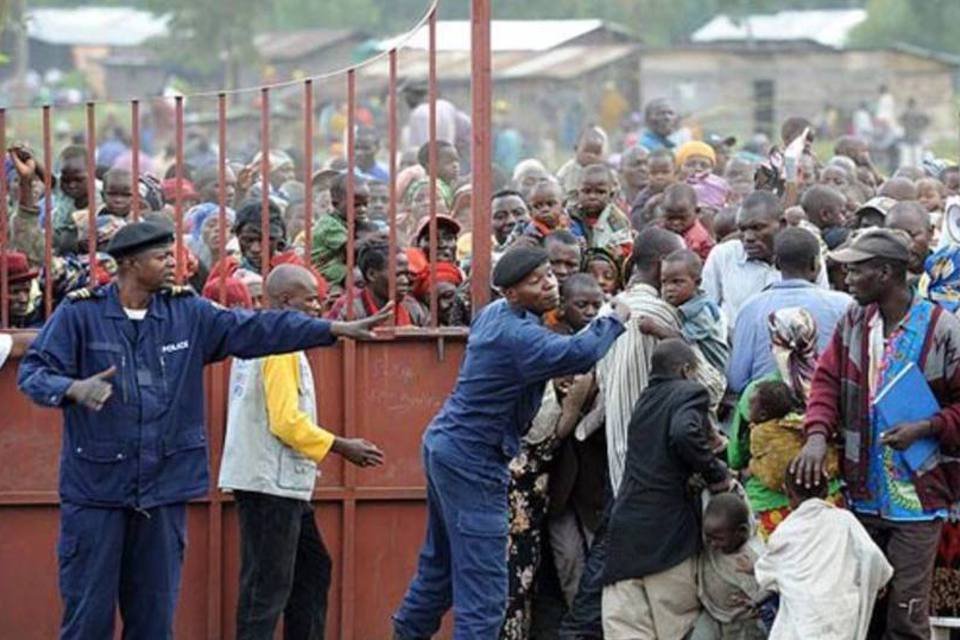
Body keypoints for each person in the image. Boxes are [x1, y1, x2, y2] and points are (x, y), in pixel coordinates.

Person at [16, 220, 392, 640]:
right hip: (96, 492)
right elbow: (34, 372)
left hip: (161, 492)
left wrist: (330, 330)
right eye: (161, 257)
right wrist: (72, 388)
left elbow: (256, 328)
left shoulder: (187, 313)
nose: (174, 264)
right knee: (88, 617)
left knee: (154, 620)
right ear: (128, 264)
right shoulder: (80, 314)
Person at [392, 246, 630, 639]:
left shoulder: (499, 316)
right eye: (536, 282)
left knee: (440, 566)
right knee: (485, 593)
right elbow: (581, 352)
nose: (550, 284)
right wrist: (614, 317)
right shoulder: (516, 334)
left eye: (550, 275)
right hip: (473, 460)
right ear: (511, 293)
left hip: (448, 447)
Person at [560, 229, 726, 639]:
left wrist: (574, 429)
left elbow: (590, 379)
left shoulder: (611, 311)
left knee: (616, 561)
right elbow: (711, 388)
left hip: (619, 459)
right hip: (655, 465)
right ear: (660, 268)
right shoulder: (664, 317)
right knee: (639, 573)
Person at [795, 228, 960, 639]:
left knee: (905, 617)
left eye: (855, 271)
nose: (846, 280)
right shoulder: (854, 320)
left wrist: (928, 427)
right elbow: (826, 381)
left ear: (885, 273)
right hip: (862, 493)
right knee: (861, 608)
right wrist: (816, 434)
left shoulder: (943, 330)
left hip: (918, 499)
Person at [219, 264, 386, 640]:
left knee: (310, 570)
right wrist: (342, 446)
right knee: (266, 589)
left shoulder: (262, 340)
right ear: (283, 302)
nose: (317, 306)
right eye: (309, 299)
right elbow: (286, 421)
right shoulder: (280, 348)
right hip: (269, 483)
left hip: (276, 482)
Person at [601, 339, 732, 639]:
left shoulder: (645, 400)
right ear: (686, 370)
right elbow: (683, 432)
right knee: (676, 625)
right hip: (667, 535)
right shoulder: (689, 393)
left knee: (626, 628)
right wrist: (715, 474)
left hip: (625, 533)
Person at [754, 464, 893, 640]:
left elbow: (766, 575)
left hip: (805, 620)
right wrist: (878, 581)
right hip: (841, 615)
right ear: (827, 489)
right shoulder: (845, 520)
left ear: (788, 494)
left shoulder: (787, 530)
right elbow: (872, 556)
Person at [728, 228, 852, 393]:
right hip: (828, 409)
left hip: (766, 411)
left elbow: (737, 380)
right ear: (816, 264)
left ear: (777, 263)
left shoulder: (751, 308)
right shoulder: (844, 305)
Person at [703, 191, 828, 329]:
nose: (748, 237)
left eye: (757, 228)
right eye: (742, 229)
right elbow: (706, 311)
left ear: (782, 224)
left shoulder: (804, 254)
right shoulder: (723, 255)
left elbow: (821, 308)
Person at [691, 493, 766, 640]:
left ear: (741, 532)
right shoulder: (711, 547)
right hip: (711, 613)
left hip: (743, 621)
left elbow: (767, 586)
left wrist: (756, 601)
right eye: (709, 538)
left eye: (719, 539)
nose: (713, 544)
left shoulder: (749, 559)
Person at [642, 249, 728, 372]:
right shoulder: (679, 303)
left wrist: (654, 328)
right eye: (664, 282)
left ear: (697, 283)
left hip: (714, 368)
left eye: (677, 282)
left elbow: (682, 340)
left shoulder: (702, 310)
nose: (669, 288)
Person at [326, 242, 427, 326]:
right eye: (398, 275)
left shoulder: (412, 307)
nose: (405, 281)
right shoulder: (348, 307)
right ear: (372, 274)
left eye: (406, 274)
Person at [311, 173, 370, 287]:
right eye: (356, 205)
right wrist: (375, 238)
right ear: (335, 204)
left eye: (365, 205)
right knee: (358, 276)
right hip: (325, 267)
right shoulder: (328, 224)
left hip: (339, 263)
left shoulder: (351, 221)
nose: (362, 210)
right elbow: (351, 248)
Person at [568, 164, 632, 259]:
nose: (592, 197)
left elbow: (626, 248)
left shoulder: (616, 219)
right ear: (578, 193)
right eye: (587, 191)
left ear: (611, 195)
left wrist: (618, 252)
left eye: (600, 192)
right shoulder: (570, 215)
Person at [660, 182, 715, 261]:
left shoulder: (698, 238)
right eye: (670, 218)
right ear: (662, 212)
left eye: (682, 218)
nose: (676, 222)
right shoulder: (660, 228)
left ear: (696, 211)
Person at [676, 140, 732, 211]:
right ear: (679, 167)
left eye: (704, 165)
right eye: (691, 164)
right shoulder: (670, 194)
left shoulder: (721, 193)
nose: (698, 169)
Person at [886, 200, 933, 282]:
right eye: (897, 237)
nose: (905, 244)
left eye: (912, 235)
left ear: (930, 233)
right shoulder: (881, 279)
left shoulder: (950, 270)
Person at [629, 148, 676, 229]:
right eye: (654, 173)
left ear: (675, 171)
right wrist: (649, 206)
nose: (659, 177)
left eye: (665, 172)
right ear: (647, 173)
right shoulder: (643, 197)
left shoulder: (681, 192)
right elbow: (635, 223)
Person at [557, 126, 607, 199]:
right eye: (587, 151)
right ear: (576, 149)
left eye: (596, 152)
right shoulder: (567, 171)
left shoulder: (606, 173)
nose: (592, 156)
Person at [799, 184, 848, 249]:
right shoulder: (814, 239)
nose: (844, 218)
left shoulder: (802, 230)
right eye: (842, 212)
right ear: (825, 214)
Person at [522, 178, 567, 243]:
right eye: (537, 206)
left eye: (550, 204)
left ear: (563, 205)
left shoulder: (573, 226)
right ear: (530, 210)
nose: (544, 210)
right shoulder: (525, 230)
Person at [618, 145, 650, 210]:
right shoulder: (615, 200)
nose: (643, 168)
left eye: (647, 164)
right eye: (636, 164)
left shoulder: (661, 199)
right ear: (621, 170)